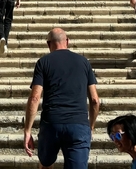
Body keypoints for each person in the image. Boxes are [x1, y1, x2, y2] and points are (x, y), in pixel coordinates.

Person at [24, 27, 101, 169]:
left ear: (48, 44)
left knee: (45, 164)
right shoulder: (84, 62)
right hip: (78, 124)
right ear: (67, 41)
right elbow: (95, 100)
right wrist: (91, 126)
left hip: (51, 123)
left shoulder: (43, 62)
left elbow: (35, 98)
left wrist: (27, 131)